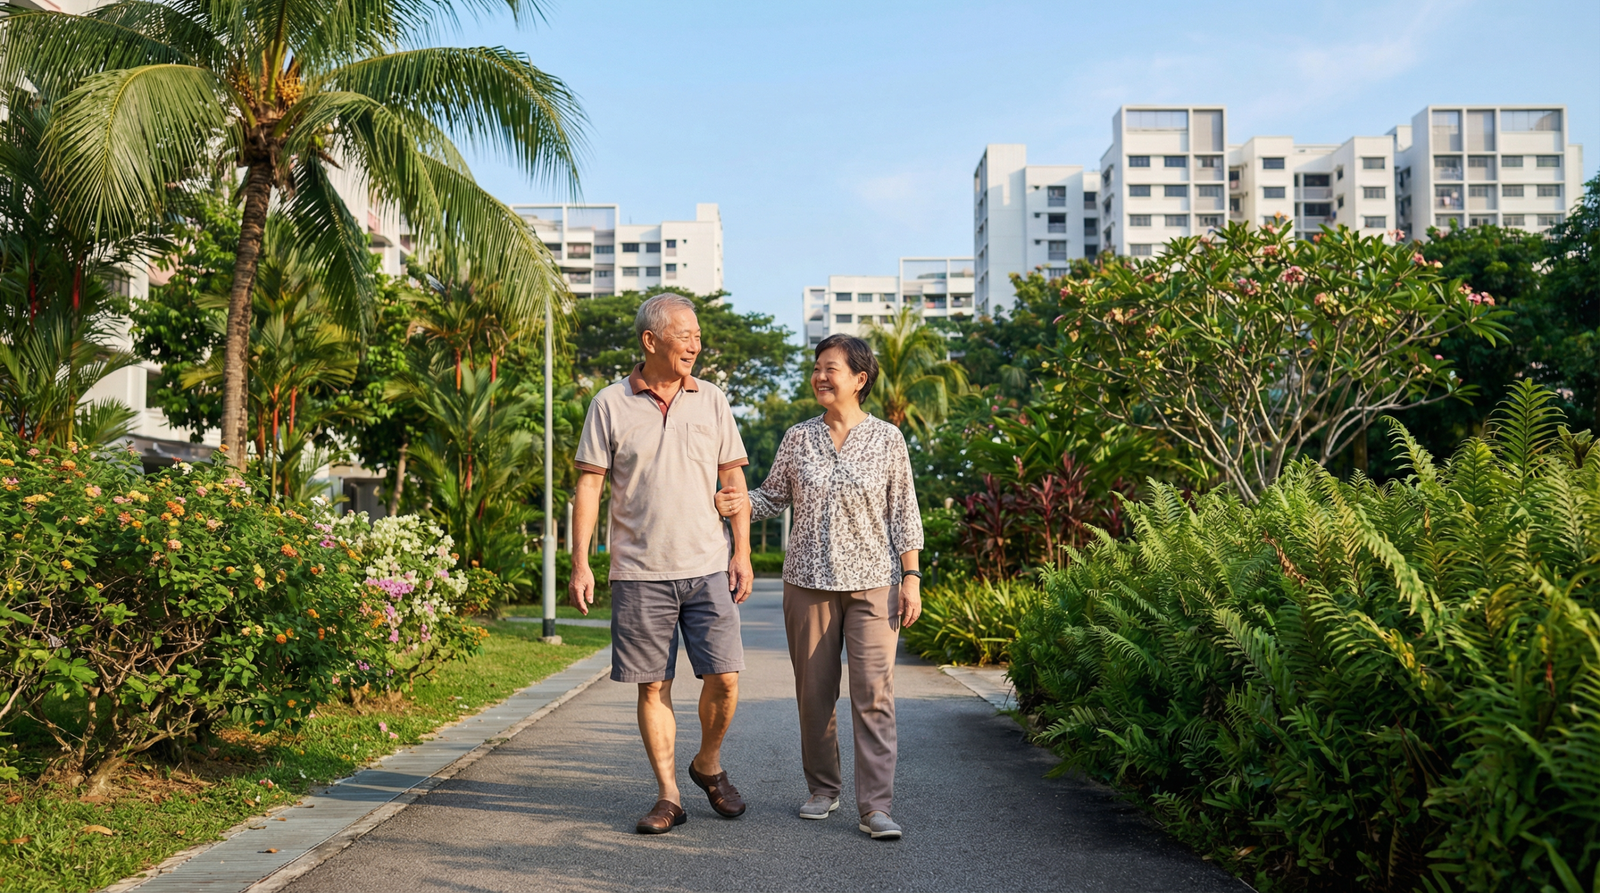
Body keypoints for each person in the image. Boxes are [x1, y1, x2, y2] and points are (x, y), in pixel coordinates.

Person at [714, 334, 923, 841]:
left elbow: (904, 513)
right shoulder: (798, 437)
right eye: (817, 368)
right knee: (814, 696)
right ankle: (823, 789)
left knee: (873, 695)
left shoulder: (888, 439)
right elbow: (771, 496)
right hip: (807, 583)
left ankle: (875, 806)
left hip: (876, 584)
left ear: (859, 378)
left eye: (831, 368)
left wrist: (911, 577)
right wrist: (734, 502)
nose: (820, 376)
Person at [570, 293, 756, 835]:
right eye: (685, 335)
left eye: (698, 336)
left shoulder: (713, 400)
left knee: (725, 678)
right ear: (651, 341)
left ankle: (707, 763)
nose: (696, 345)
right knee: (652, 686)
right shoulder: (609, 403)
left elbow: (734, 481)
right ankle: (669, 794)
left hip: (707, 565)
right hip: (638, 571)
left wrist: (742, 552)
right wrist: (581, 563)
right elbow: (590, 485)